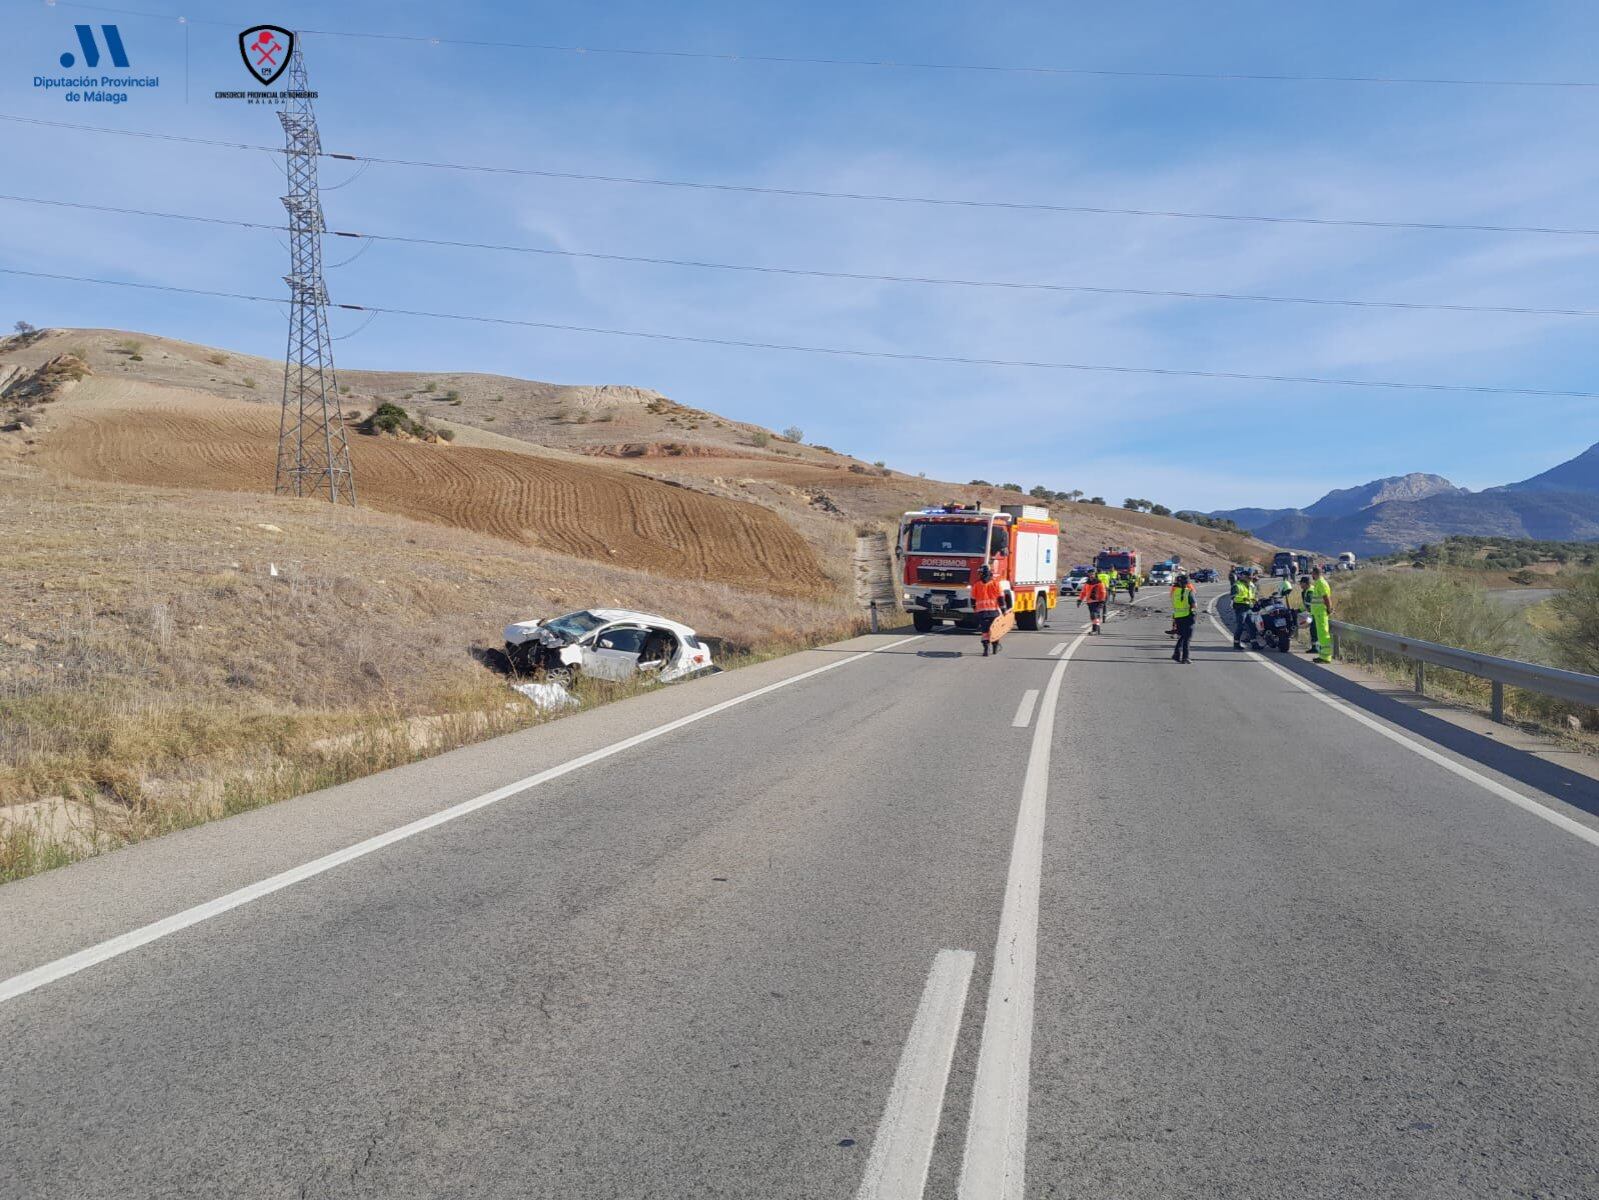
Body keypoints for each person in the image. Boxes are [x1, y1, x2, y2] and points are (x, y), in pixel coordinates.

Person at [971, 563, 1005, 656]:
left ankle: (986, 650)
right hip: (994, 612)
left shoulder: (976, 585)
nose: (980, 574)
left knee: (985, 632)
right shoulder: (995, 584)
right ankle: (995, 648)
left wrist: (975, 610)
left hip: (982, 613)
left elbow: (972, 599)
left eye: (980, 573)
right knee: (995, 631)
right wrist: (1004, 610)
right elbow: (1001, 598)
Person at [1308, 564, 1334, 663]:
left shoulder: (1321, 583)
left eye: (1312, 574)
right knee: (1321, 635)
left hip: (1321, 613)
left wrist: (1329, 609)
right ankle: (1323, 655)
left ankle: (1326, 657)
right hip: (1319, 613)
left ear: (1314, 573)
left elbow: (1326, 597)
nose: (1312, 576)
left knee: (1323, 635)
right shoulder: (1319, 583)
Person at [1170, 572, 1197, 664]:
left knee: (1182, 636)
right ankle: (1185, 657)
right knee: (1187, 638)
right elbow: (1194, 605)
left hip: (1178, 617)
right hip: (1188, 617)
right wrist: (1193, 613)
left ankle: (1176, 654)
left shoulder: (1175, 592)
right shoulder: (1189, 592)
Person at [1231, 568, 1256, 647]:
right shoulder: (1237, 585)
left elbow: (1253, 594)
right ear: (1243, 577)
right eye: (1248, 577)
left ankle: (1254, 643)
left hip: (1248, 607)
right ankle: (1236, 643)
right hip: (1240, 607)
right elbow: (1233, 597)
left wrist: (1255, 599)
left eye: (1250, 578)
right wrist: (1244, 598)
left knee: (1252, 626)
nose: (1250, 579)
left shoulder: (1251, 585)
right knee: (1240, 626)